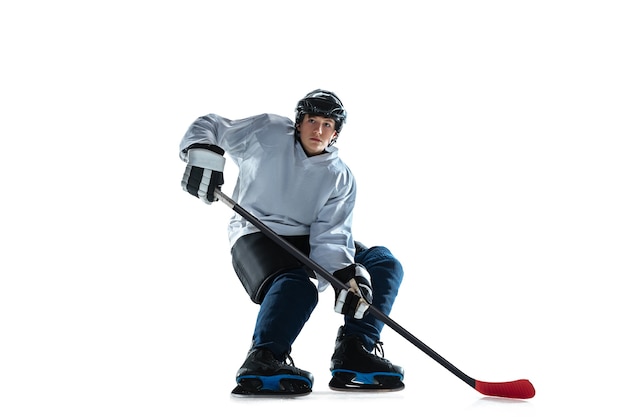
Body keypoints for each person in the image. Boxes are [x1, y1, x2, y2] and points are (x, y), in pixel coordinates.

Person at [179, 89, 404, 396]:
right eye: (312, 120)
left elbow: (331, 235)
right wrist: (202, 152)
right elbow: (213, 125)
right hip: (255, 231)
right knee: (296, 285)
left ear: (336, 133)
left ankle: (355, 349)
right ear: (299, 123)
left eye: (327, 124)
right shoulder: (266, 132)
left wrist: (344, 277)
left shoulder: (340, 177)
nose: (318, 130)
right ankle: (264, 357)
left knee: (382, 264)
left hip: (309, 238)